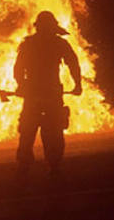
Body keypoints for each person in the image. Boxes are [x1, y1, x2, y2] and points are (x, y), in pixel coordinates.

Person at [13, 11, 82, 178]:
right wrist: (77, 84)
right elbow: (73, 64)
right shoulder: (58, 43)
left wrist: (22, 85)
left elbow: (17, 69)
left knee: (29, 130)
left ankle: (25, 164)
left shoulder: (29, 44)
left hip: (35, 93)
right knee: (52, 130)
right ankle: (53, 164)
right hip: (50, 92)